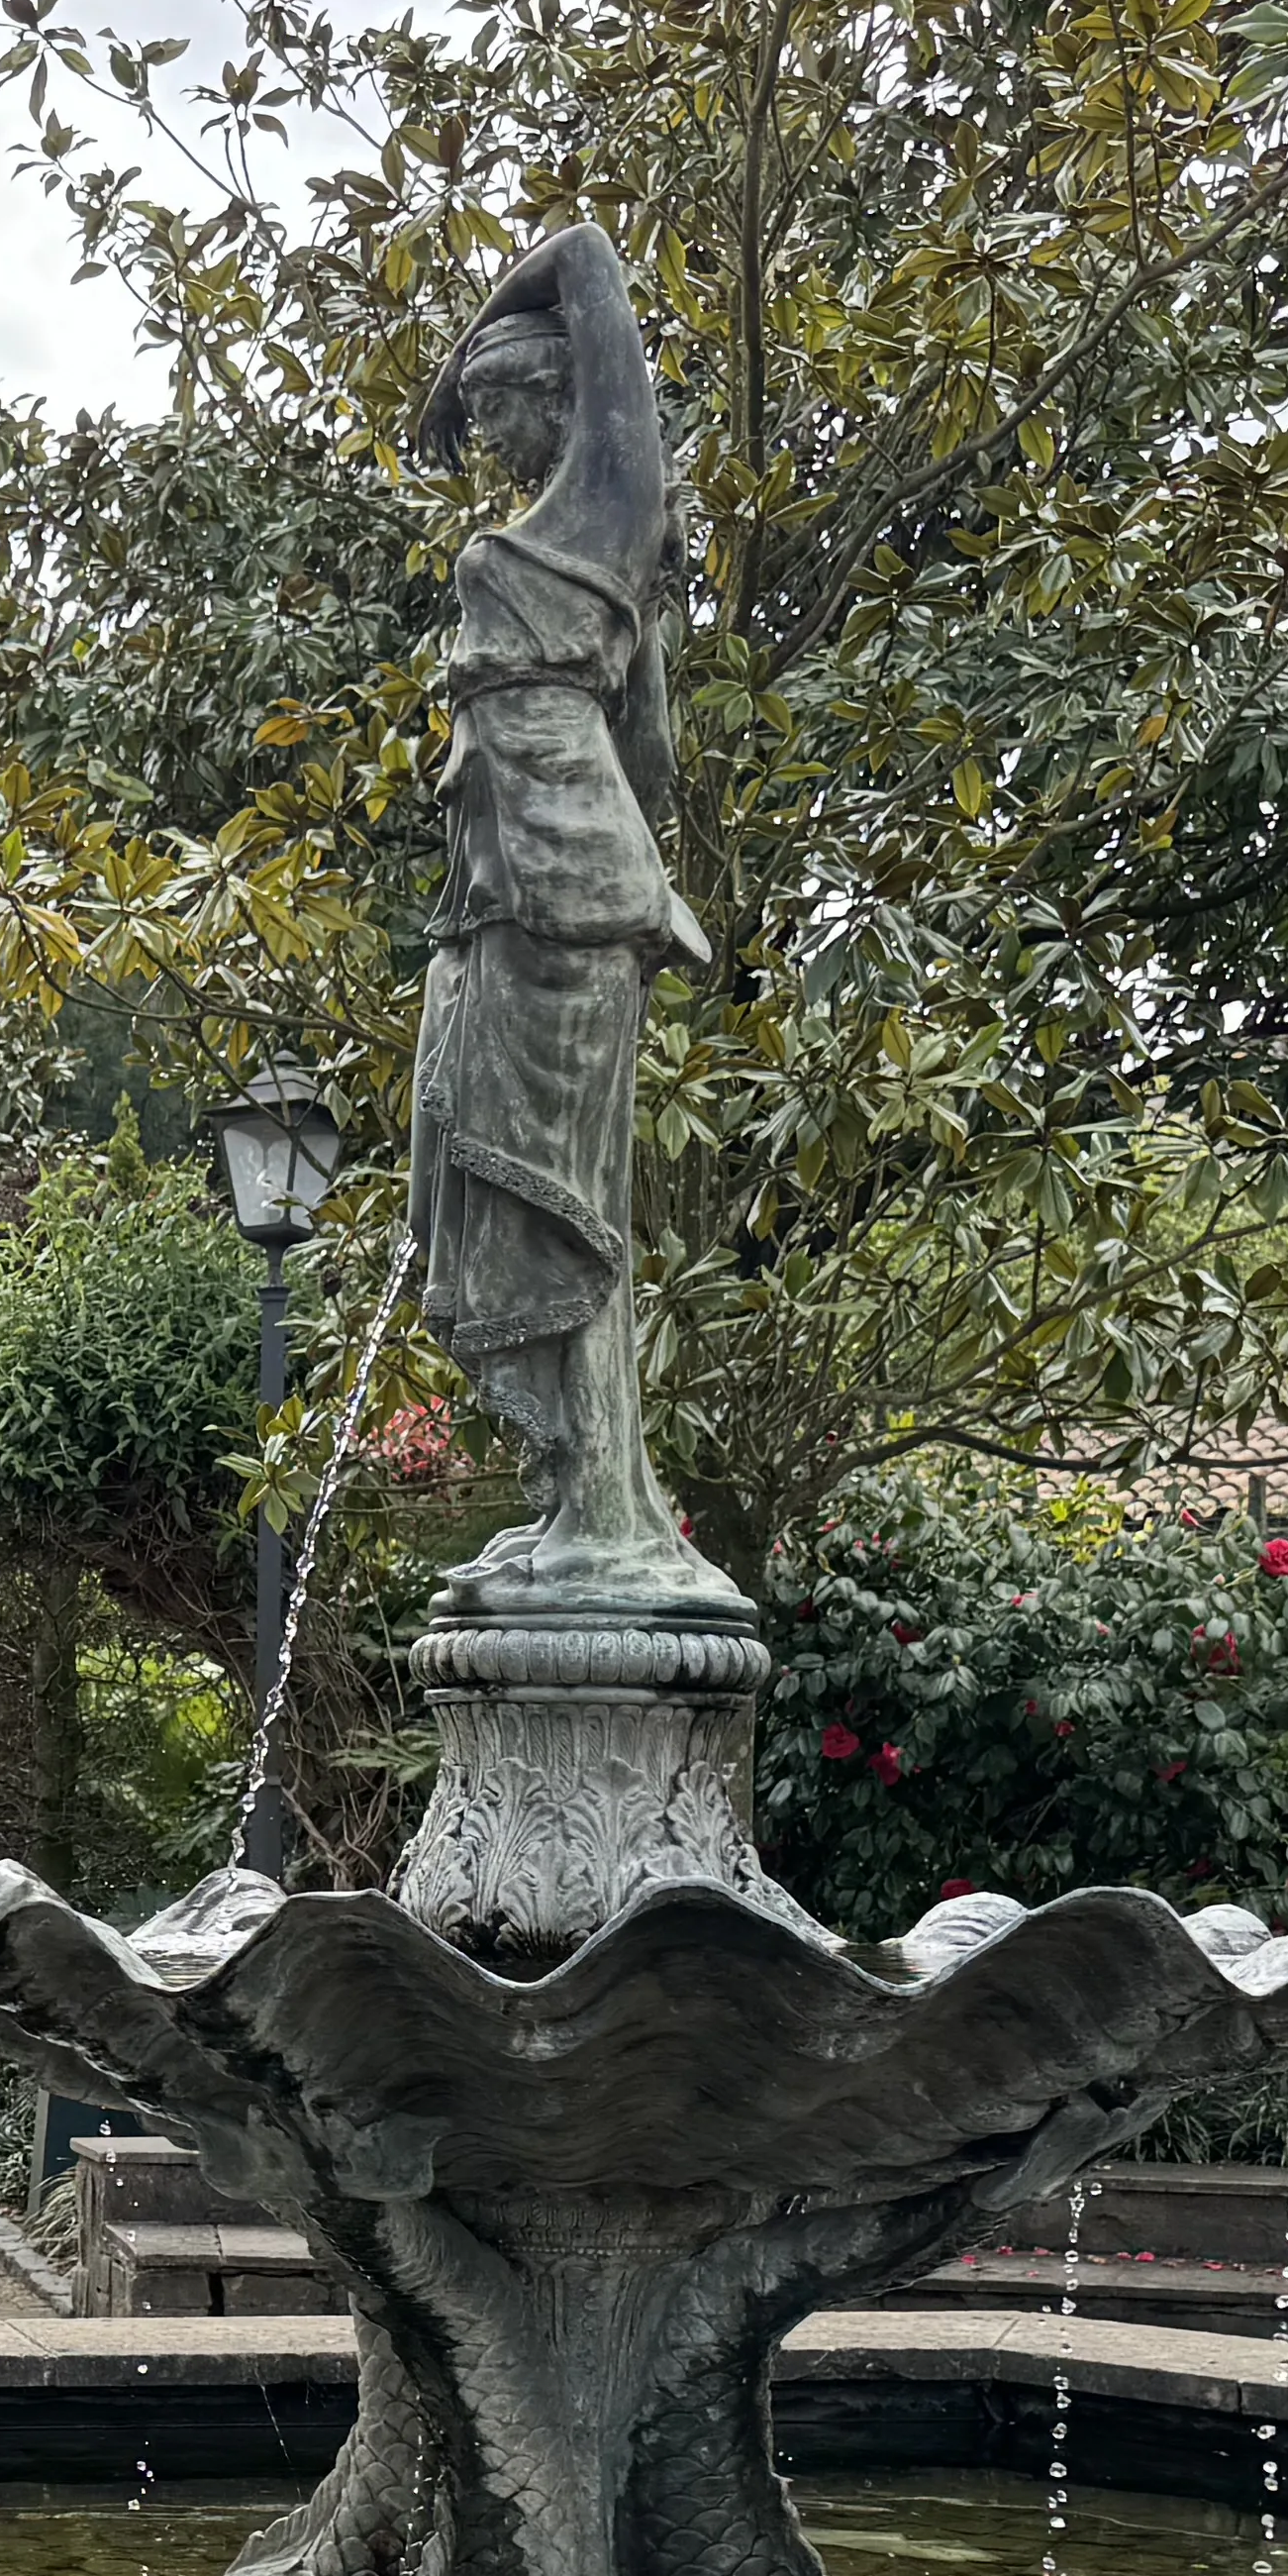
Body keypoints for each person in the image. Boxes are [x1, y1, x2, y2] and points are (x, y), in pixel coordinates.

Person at [404, 223, 725, 1620]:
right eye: (465, 414)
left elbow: (589, 247)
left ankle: (609, 1509)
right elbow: (649, 752)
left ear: (562, 396)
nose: (481, 432)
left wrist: (445, 354)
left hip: (574, 910)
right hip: (499, 913)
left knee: (578, 1202)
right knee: (486, 1177)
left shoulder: (605, 509)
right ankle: (578, 1495)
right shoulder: (563, 556)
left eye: (493, 405)